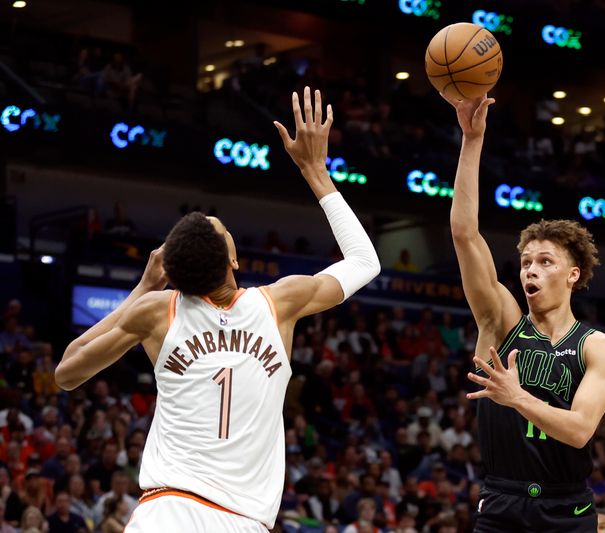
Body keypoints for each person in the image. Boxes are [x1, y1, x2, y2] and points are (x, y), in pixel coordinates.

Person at [55, 86, 380, 532]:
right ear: (233, 261)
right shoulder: (276, 303)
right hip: (242, 520)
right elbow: (365, 261)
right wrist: (316, 172)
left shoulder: (157, 311)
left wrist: (143, 288)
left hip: (164, 513)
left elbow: (67, 371)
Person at [442, 91, 605, 532]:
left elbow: (580, 430)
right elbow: (465, 233)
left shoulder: (600, 347)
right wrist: (472, 139)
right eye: (526, 262)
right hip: (502, 501)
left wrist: (516, 397)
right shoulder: (501, 318)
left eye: (545, 262)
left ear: (573, 275)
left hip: (567, 508)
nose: (531, 270)